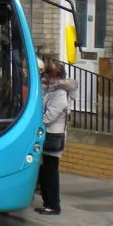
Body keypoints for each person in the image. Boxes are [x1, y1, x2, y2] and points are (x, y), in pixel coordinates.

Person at [35, 60, 77, 215]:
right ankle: (47, 201)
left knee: (51, 172)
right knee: (45, 171)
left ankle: (53, 205)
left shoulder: (60, 93)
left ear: (57, 76)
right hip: (48, 134)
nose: (47, 77)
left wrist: (37, 124)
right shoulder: (52, 89)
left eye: (49, 74)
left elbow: (50, 116)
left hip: (54, 135)